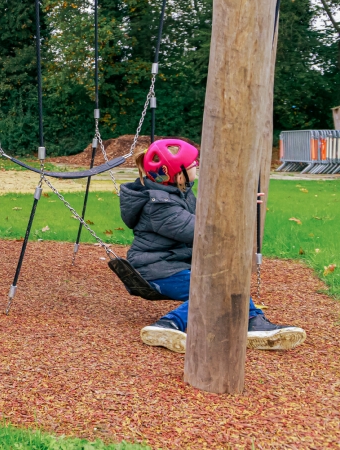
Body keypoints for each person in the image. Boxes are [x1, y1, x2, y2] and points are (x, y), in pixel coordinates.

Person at [120, 138, 306, 353]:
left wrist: (239, 201)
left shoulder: (178, 192)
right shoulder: (160, 206)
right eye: (192, 165)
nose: (196, 167)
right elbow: (206, 232)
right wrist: (240, 210)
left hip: (172, 263)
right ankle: (167, 324)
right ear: (178, 173)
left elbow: (209, 212)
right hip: (156, 270)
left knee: (225, 281)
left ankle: (254, 321)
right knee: (216, 287)